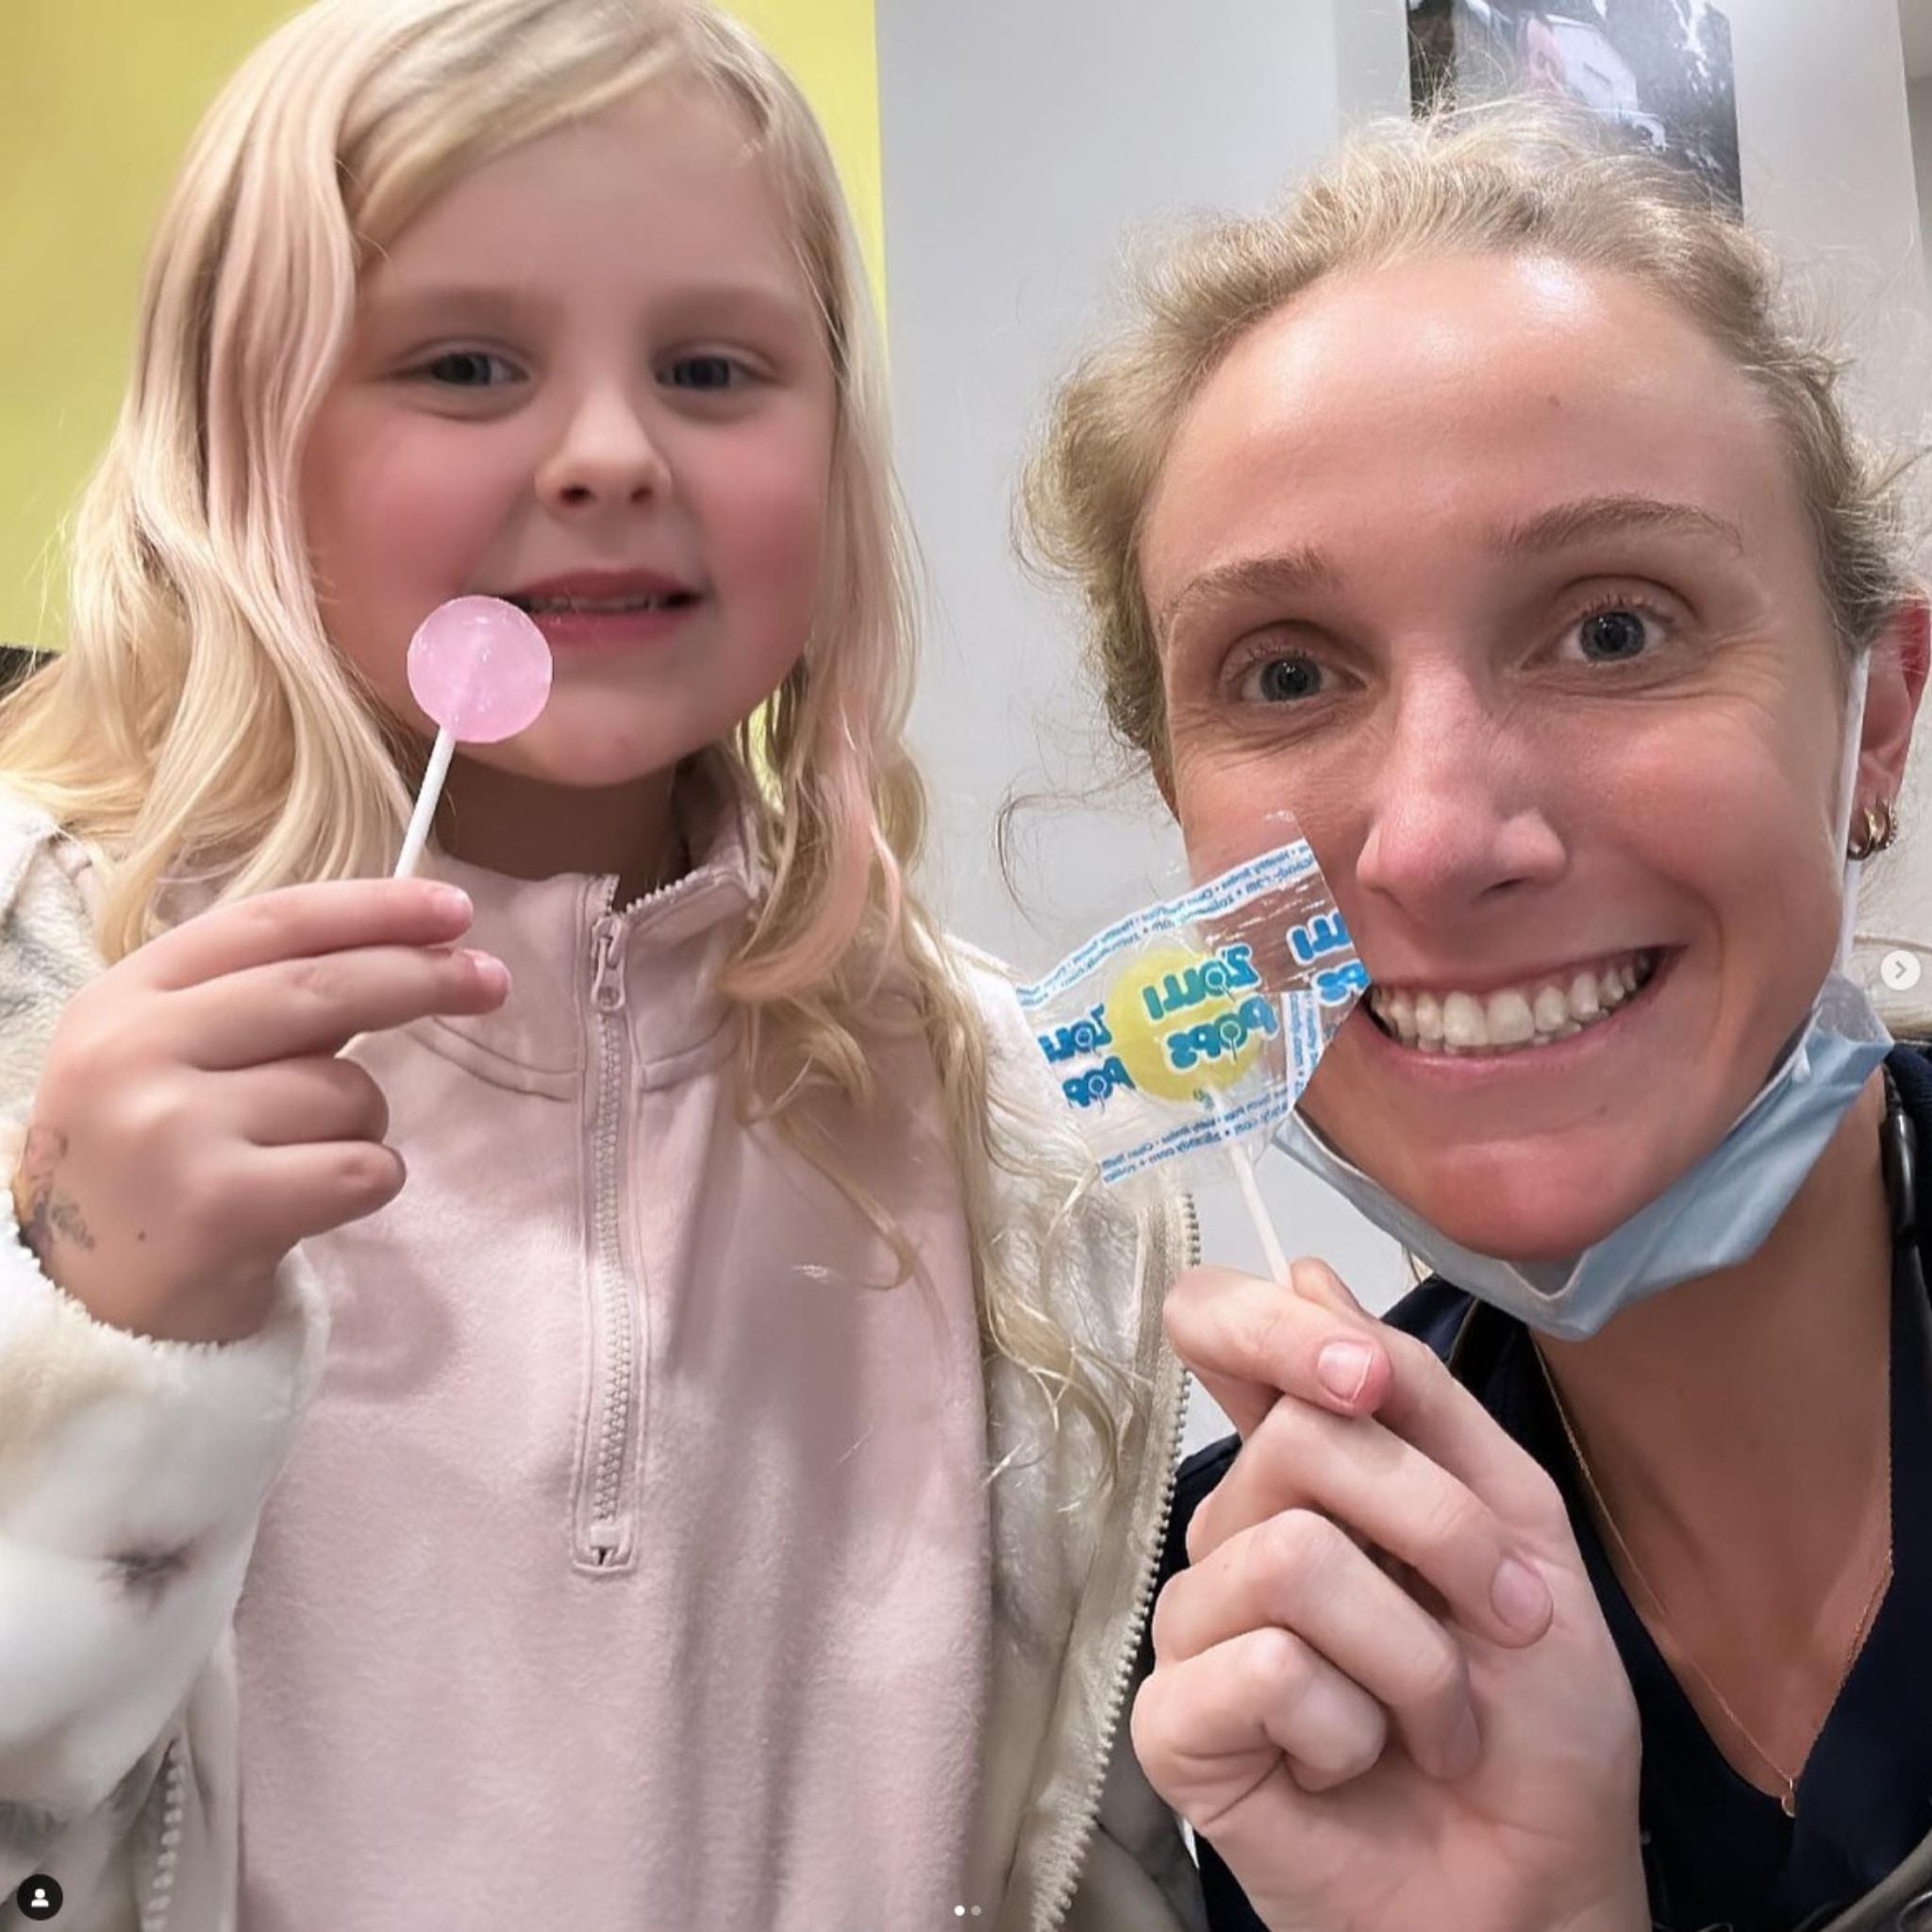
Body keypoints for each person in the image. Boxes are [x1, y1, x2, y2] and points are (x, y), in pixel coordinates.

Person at [0, 4, 1206, 1925]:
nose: (608, 454)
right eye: (463, 364)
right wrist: (94, 1332)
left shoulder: (997, 1116)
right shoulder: (35, 998)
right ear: (242, 436)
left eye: (716, 368)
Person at [1023, 105, 1931, 1932]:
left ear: (1877, 718)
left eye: (1612, 630)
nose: (1435, 837)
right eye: (1285, 674)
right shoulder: (1271, 1642)